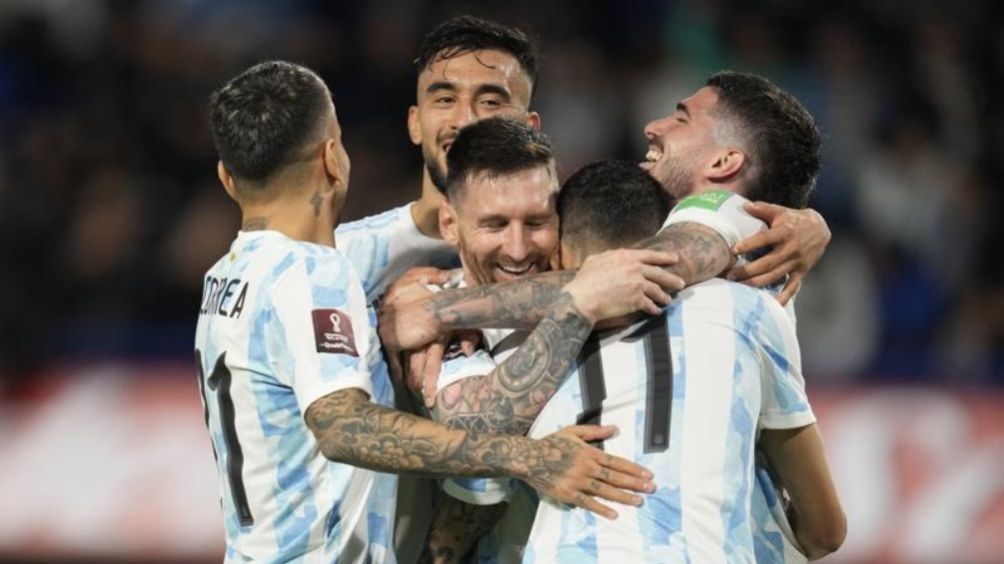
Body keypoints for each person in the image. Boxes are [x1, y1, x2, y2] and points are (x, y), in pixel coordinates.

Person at [194, 60, 658, 564]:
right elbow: (342, 427)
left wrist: (438, 306)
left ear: (226, 178)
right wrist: (529, 457)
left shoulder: (227, 277)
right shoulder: (312, 272)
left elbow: (404, 232)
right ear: (333, 157)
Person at [381, 72, 843, 562]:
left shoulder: (734, 221)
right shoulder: (750, 298)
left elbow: (638, 271)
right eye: (496, 224)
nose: (653, 125)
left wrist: (442, 309)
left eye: (682, 116)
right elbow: (823, 530)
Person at [521, 158, 846, 562]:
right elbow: (825, 531)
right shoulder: (746, 310)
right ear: (665, 238)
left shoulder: (526, 349)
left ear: (556, 257)